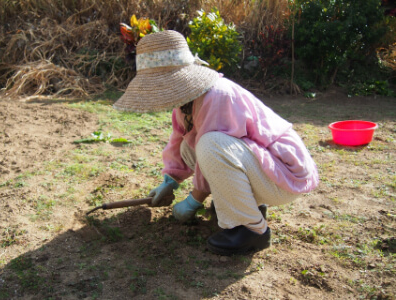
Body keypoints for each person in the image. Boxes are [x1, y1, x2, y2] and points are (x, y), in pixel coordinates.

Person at [114, 30, 319, 256]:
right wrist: (170, 181)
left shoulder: (216, 97)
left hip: (283, 177)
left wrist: (194, 200)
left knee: (210, 145)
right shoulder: (185, 103)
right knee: (189, 146)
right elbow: (178, 142)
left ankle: (252, 231)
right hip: (261, 167)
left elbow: (214, 151)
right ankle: (246, 206)